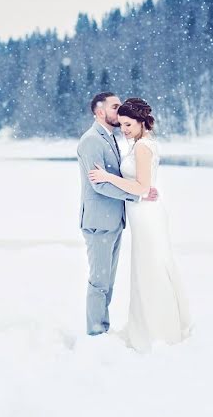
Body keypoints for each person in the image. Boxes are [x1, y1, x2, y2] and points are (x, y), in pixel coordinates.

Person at [89, 97, 191, 352]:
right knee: (145, 268)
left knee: (151, 268)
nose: (124, 129)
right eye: (122, 124)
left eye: (128, 125)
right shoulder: (137, 144)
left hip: (147, 216)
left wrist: (107, 177)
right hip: (140, 213)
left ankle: (159, 331)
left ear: (141, 122)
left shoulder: (144, 147)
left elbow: (142, 187)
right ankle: (148, 325)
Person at [76, 92, 158, 336]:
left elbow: (120, 178)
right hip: (99, 221)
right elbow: (98, 184)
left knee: (107, 282)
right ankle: (95, 332)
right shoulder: (91, 141)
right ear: (100, 112)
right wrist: (138, 195)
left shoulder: (111, 137)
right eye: (114, 106)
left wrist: (140, 188)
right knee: (99, 281)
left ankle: (102, 328)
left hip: (114, 220)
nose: (119, 109)